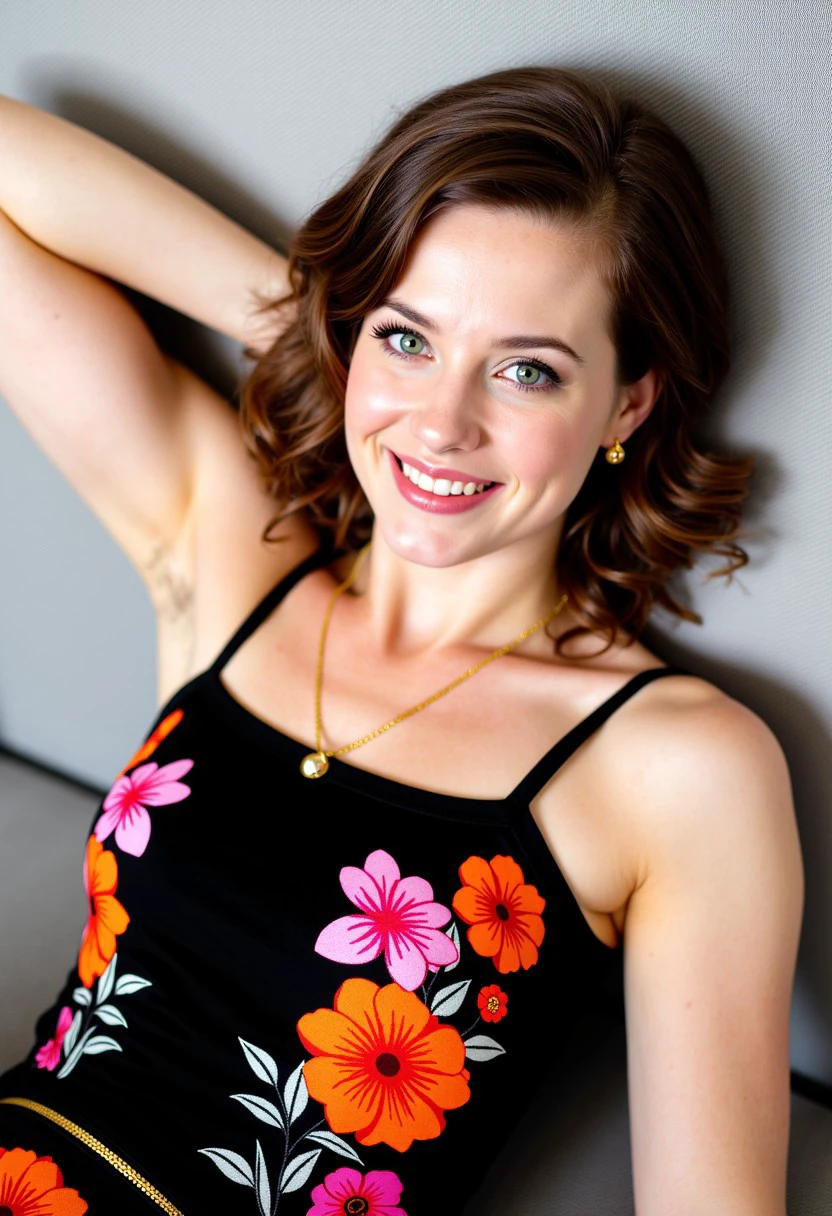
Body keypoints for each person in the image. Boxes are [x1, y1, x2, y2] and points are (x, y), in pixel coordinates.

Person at [0, 65, 803, 1215]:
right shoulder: (237, 558)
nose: (441, 424)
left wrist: (388, 333)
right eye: (409, 339)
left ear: (628, 404)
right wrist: (329, 328)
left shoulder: (677, 766)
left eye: (526, 369)